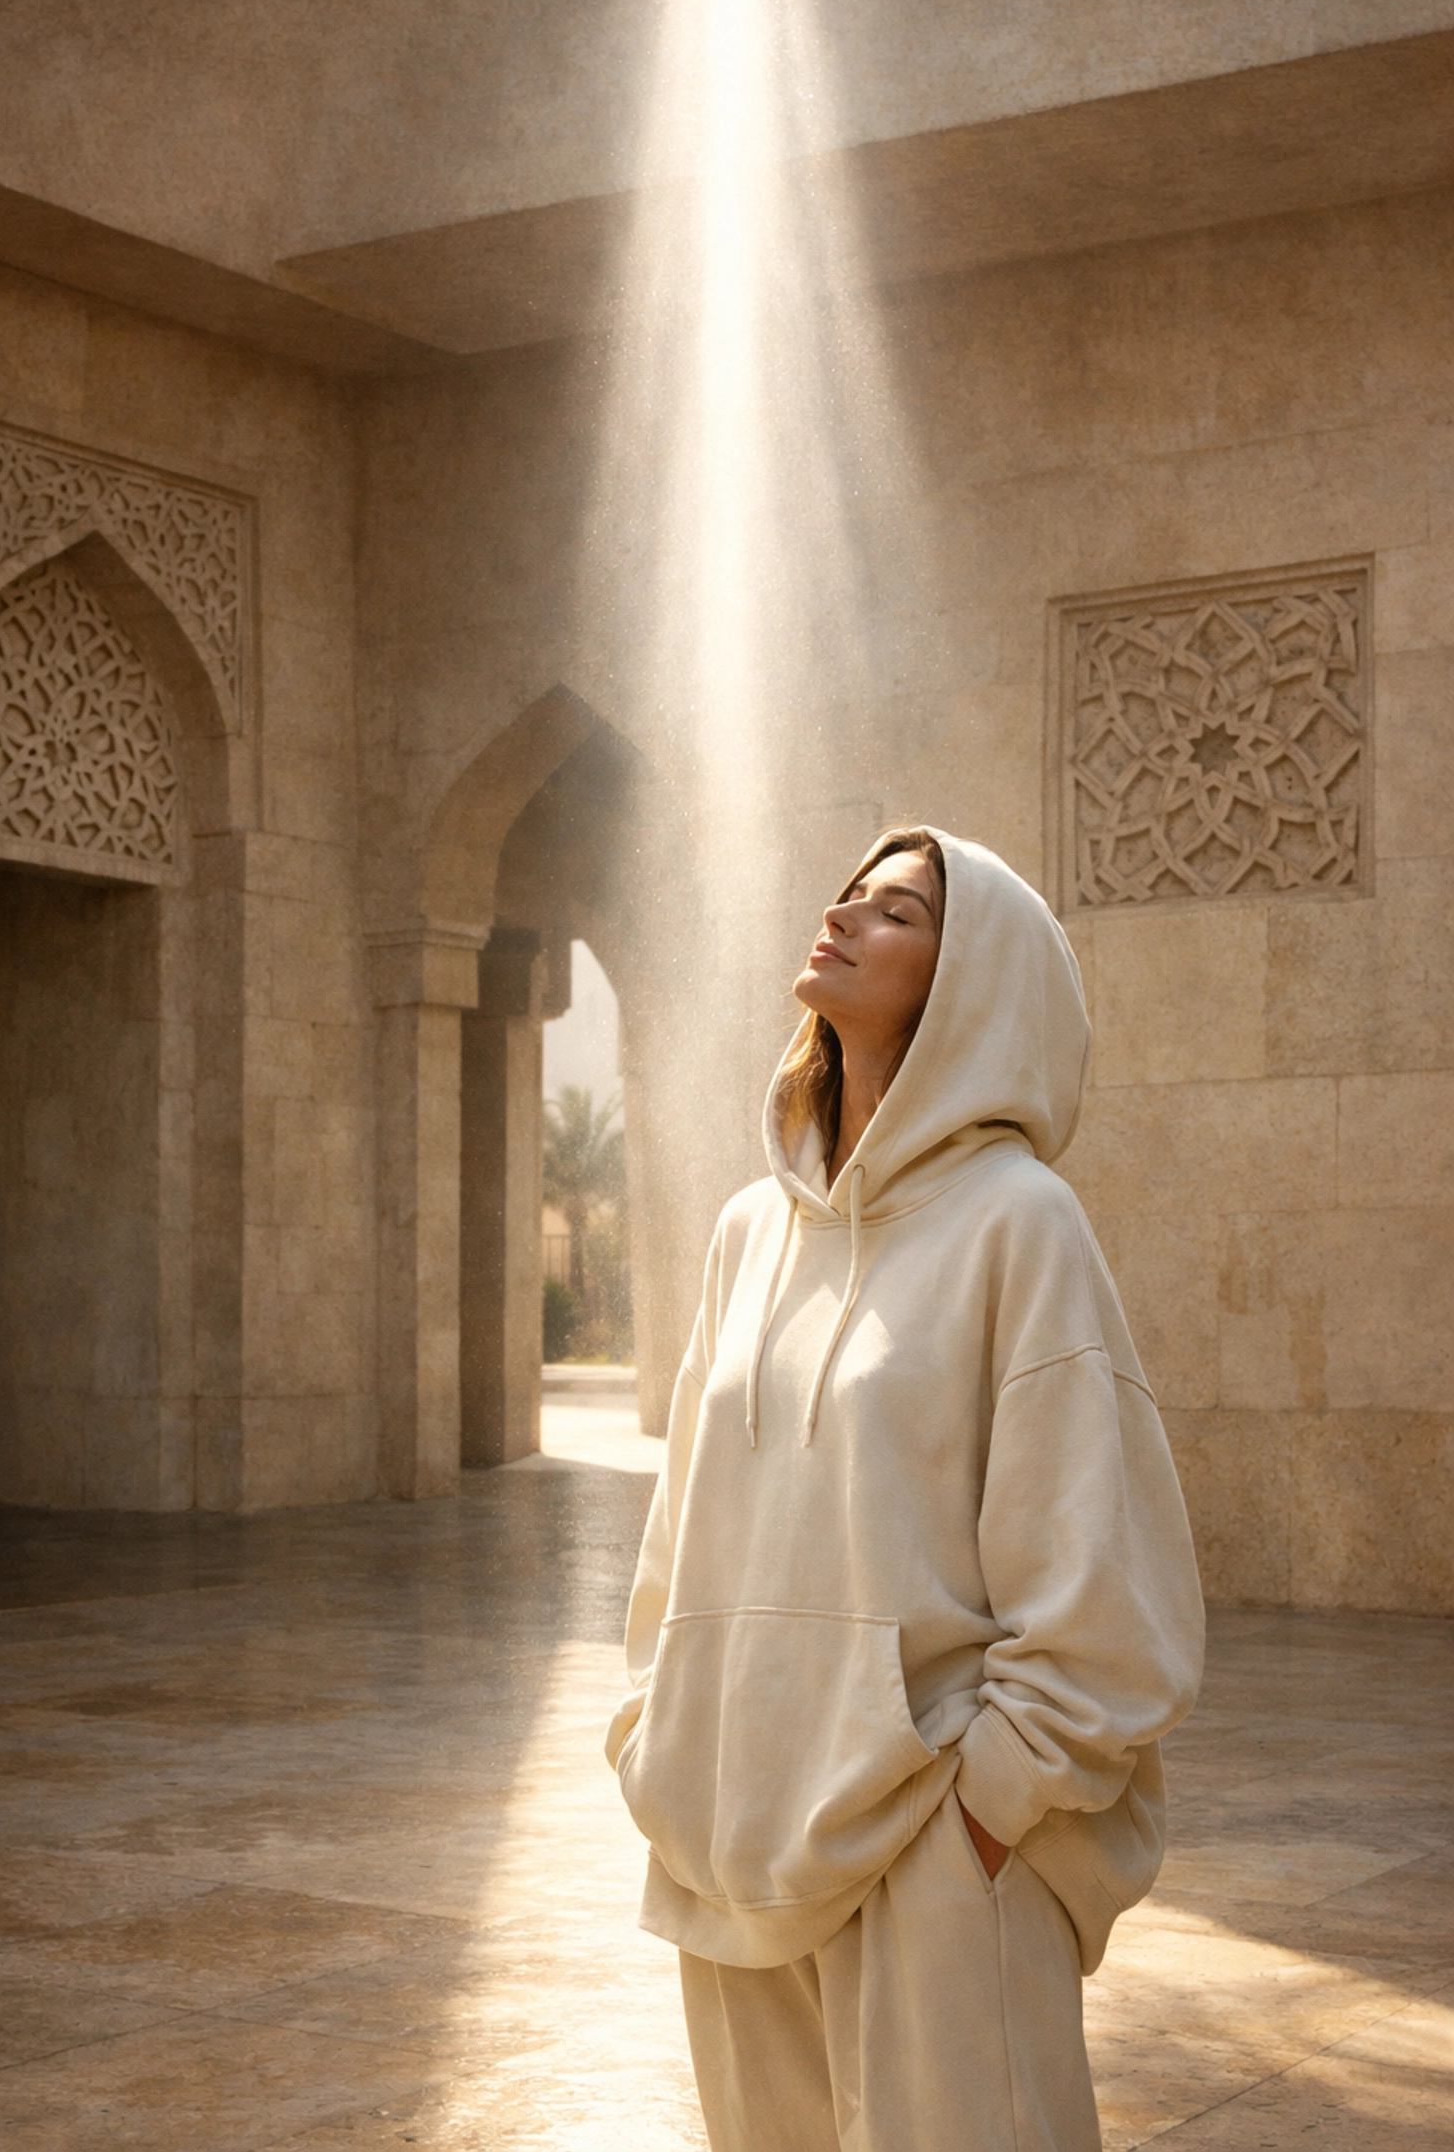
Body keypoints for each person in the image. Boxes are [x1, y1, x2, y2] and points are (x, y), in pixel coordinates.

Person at [606, 827, 1205, 2152]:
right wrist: (656, 1733)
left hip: (931, 1844)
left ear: (969, 979)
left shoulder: (1019, 1222)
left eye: (898, 912)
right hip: (726, 1832)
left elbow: (1094, 1554)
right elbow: (683, 1526)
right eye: (851, 895)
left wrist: (990, 1809)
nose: (845, 915)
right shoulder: (746, 1233)